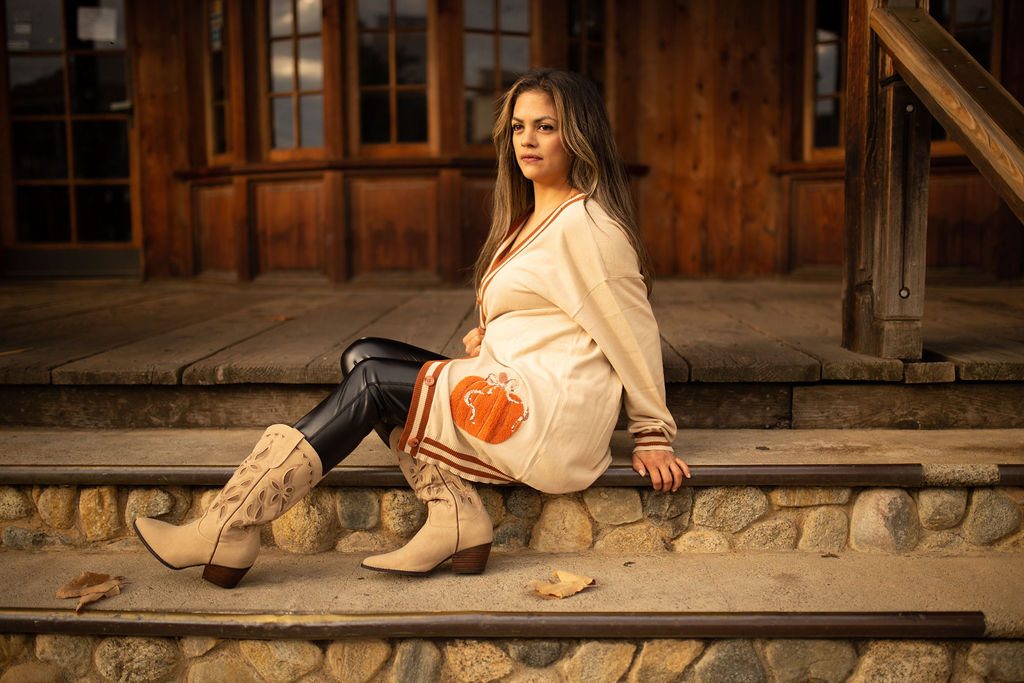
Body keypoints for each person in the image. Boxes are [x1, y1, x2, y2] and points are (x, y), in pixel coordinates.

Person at [134, 67, 689, 589]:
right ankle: (457, 517)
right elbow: (549, 311)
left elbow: (630, 328)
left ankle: (227, 527)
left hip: (548, 413)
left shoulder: (589, 223)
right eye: (519, 127)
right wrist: (495, 335)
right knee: (363, 355)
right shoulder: (531, 219)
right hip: (513, 378)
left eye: (546, 127)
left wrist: (651, 432)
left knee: (375, 381)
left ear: (579, 136)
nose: (528, 139)